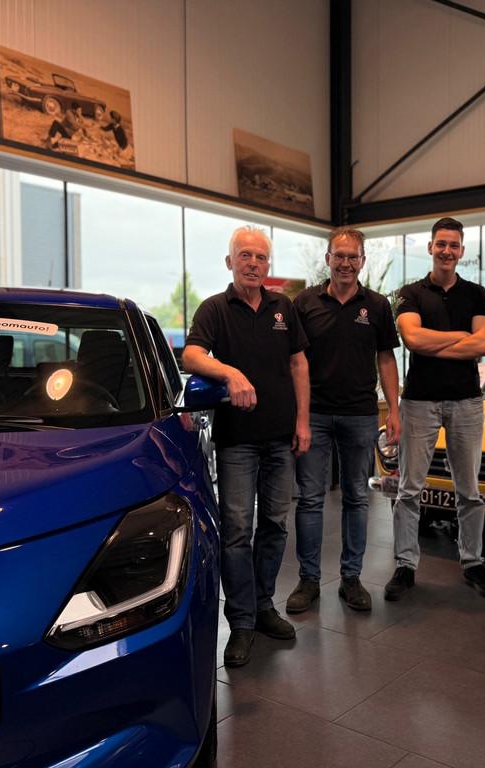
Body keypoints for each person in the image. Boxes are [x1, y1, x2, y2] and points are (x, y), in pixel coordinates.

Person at [183, 225, 311, 668]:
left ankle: (262, 604)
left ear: (267, 264)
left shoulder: (283, 308)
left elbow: (298, 364)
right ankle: (240, 621)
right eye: (245, 256)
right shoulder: (215, 309)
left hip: (280, 438)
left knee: (275, 524)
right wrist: (230, 373)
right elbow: (192, 355)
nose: (253, 263)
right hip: (237, 441)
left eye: (260, 257)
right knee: (237, 530)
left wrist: (302, 421)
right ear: (230, 262)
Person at [287, 227, 401, 614]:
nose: (346, 263)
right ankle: (308, 579)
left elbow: (386, 358)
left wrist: (394, 410)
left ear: (362, 261)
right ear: (328, 259)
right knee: (310, 499)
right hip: (314, 414)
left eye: (353, 257)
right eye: (340, 256)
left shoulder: (378, 305)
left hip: (361, 414)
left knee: (357, 497)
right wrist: (299, 415)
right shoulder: (304, 303)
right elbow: (294, 361)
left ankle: (351, 578)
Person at [385, 217, 485, 601]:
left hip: (466, 401)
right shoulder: (411, 293)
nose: (447, 251)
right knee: (408, 489)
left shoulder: (476, 294)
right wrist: (463, 337)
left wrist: (440, 343)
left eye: (453, 245)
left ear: (461, 251)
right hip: (419, 401)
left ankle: (473, 562)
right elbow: (413, 339)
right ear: (431, 248)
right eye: (441, 244)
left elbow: (484, 344)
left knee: (469, 491)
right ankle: (405, 565)